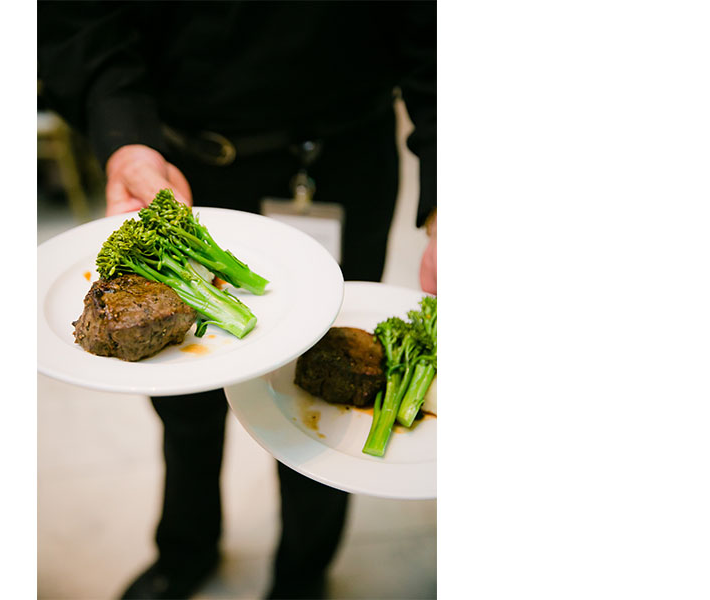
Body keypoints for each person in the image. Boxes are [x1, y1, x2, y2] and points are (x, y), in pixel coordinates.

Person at [38, 2, 436, 598]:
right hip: (180, 162)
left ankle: (304, 573)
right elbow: (81, 16)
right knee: (182, 398)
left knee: (329, 386)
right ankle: (185, 548)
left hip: (343, 160)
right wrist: (124, 136)